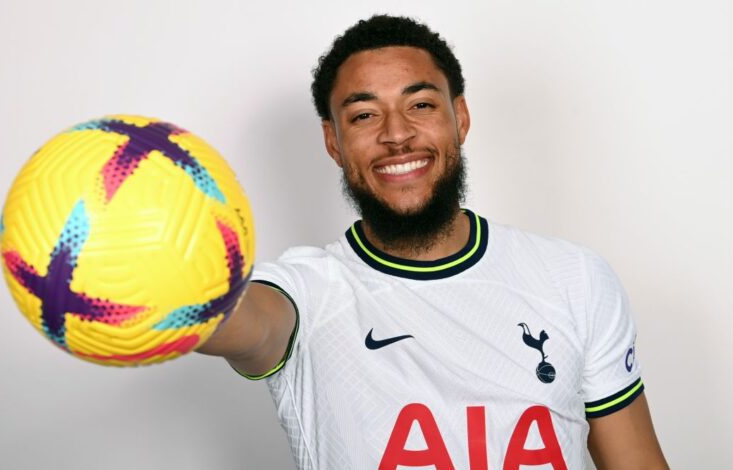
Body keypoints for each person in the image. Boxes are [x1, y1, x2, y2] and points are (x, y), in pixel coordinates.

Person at [197, 14, 668, 469]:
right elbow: (235, 320)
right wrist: (155, 275)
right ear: (334, 142)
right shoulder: (305, 292)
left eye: (420, 105)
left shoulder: (575, 278)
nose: (397, 134)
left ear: (459, 117)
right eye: (364, 115)